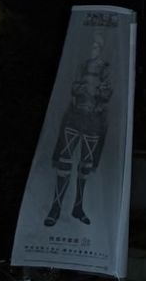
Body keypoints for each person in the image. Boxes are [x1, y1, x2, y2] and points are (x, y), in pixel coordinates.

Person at [45, 34, 111, 227]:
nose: (93, 49)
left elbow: (106, 94)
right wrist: (88, 89)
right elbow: (74, 89)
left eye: (96, 46)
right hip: (75, 116)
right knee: (64, 161)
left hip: (93, 120)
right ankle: (56, 207)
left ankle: (78, 206)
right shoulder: (81, 66)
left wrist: (95, 91)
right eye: (91, 46)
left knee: (85, 165)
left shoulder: (106, 69)